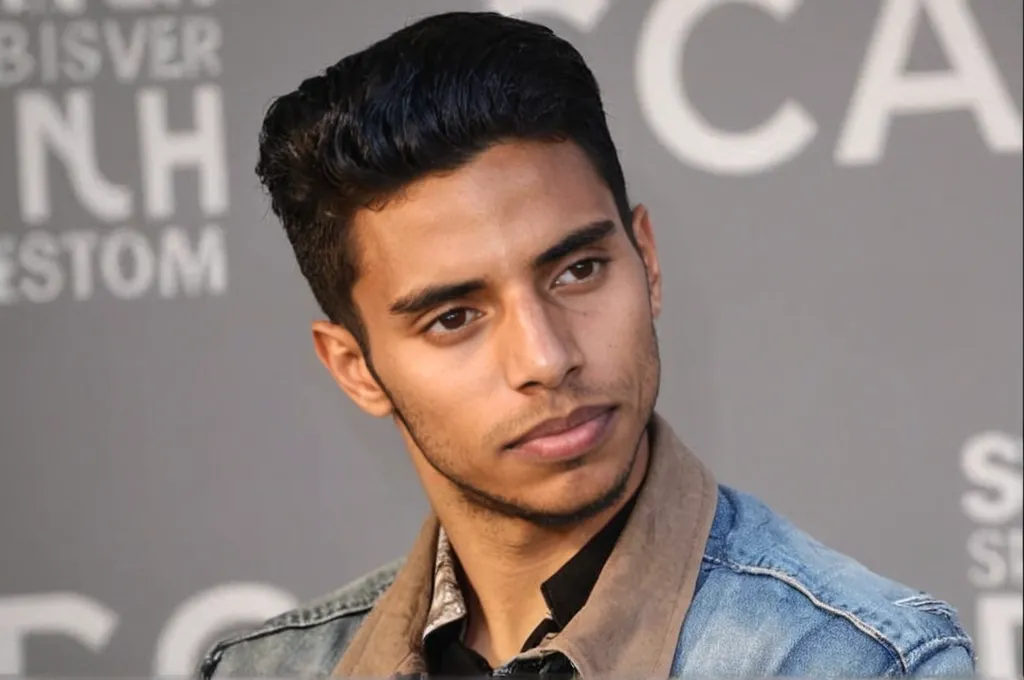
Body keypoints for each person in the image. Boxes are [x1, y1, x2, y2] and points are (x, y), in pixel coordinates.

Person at [199, 11, 975, 678]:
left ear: (648, 261)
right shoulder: (266, 670)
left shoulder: (854, 662)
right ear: (356, 369)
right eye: (454, 317)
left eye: (577, 271)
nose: (546, 358)